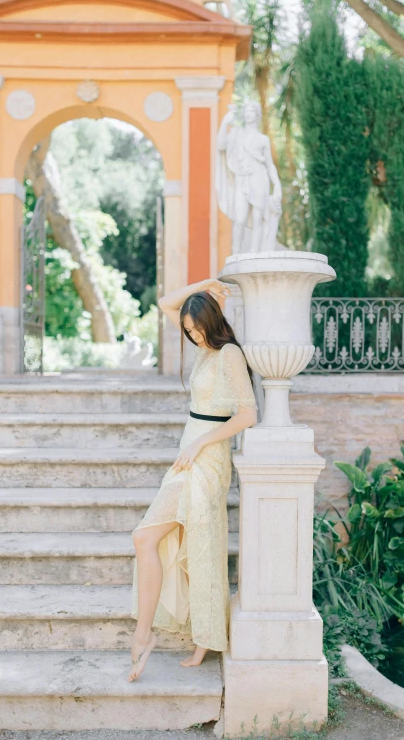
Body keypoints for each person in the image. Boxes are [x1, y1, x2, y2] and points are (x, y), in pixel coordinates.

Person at [128, 278, 258, 682]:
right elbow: (167, 303)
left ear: (213, 322)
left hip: (208, 457)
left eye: (198, 329)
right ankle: (158, 635)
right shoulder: (203, 350)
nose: (192, 335)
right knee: (162, 540)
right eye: (188, 331)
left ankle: (148, 635)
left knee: (148, 537)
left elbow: (247, 415)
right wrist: (204, 285)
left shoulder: (229, 354)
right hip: (189, 455)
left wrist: (202, 441)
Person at [216, 100, 282, 254]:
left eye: (251, 110)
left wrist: (277, 185)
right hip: (242, 179)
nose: (248, 113)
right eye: (246, 110)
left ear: (257, 115)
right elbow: (220, 145)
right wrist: (225, 123)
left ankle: (254, 254)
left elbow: (270, 165)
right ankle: (236, 255)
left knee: (258, 218)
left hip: (259, 179)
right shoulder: (236, 134)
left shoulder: (262, 139)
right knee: (239, 219)